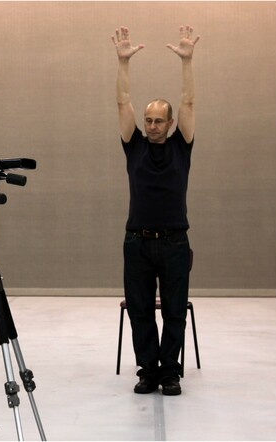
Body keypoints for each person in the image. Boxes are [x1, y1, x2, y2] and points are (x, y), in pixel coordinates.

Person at [112, 25, 199, 395]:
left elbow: (190, 102)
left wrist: (187, 62)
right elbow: (122, 102)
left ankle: (169, 372)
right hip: (137, 242)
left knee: (175, 310)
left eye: (158, 120)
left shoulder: (182, 146)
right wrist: (122, 62)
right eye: (147, 120)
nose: (151, 125)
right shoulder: (134, 146)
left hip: (175, 243)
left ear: (171, 123)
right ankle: (148, 370)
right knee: (140, 310)